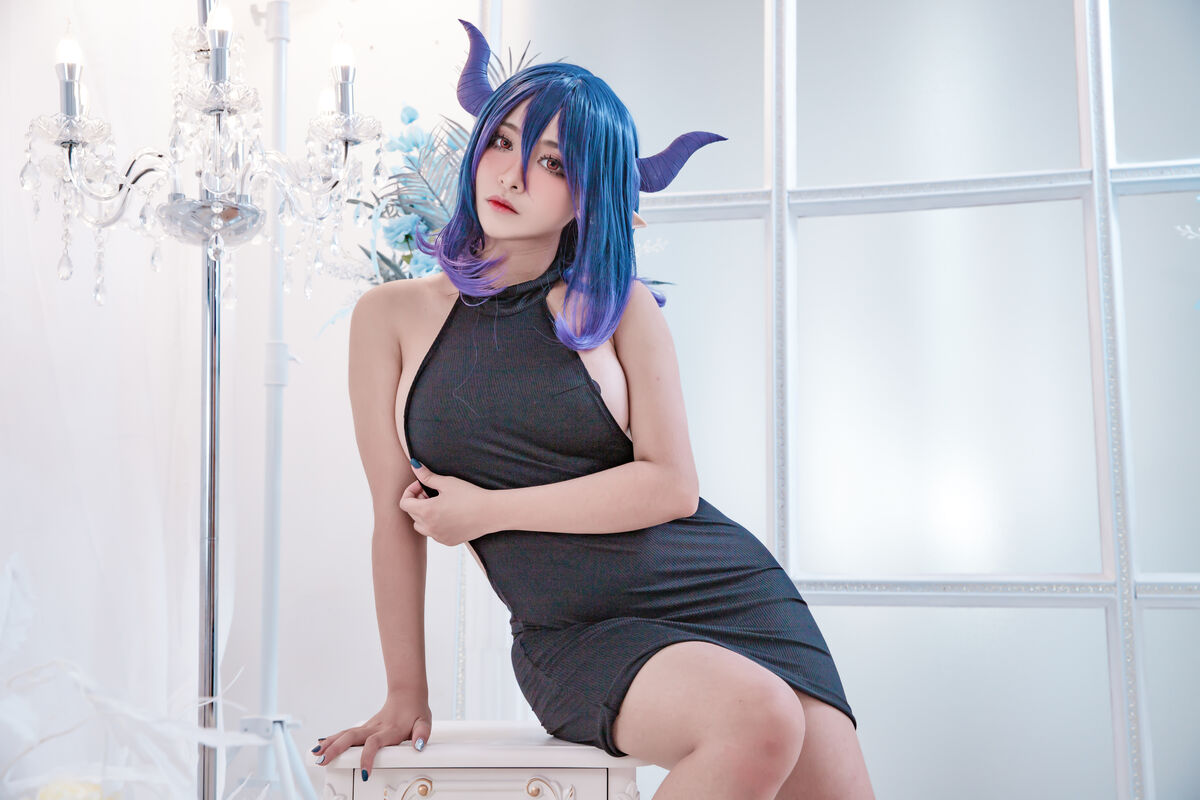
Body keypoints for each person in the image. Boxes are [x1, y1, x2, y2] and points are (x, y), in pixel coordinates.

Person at [312, 19, 874, 800]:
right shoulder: (391, 316)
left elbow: (670, 487)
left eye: (552, 162)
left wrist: (487, 511)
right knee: (759, 718)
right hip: (573, 635)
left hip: (729, 595)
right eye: (502, 141)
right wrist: (406, 692)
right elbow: (392, 515)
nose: (512, 175)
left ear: (589, 193)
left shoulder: (621, 306)